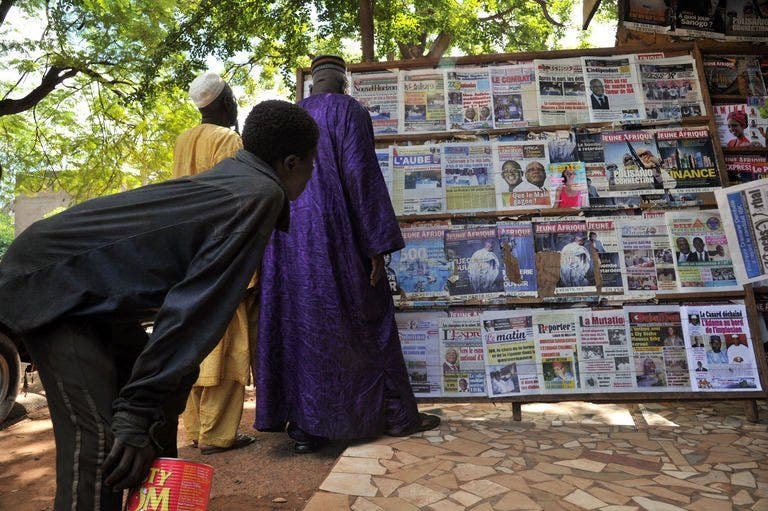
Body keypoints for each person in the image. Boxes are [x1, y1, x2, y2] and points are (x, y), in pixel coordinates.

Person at [0, 100, 319, 510]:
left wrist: (149, 412)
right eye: (312, 165)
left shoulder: (241, 180)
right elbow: (194, 311)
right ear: (291, 162)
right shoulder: (259, 194)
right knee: (106, 443)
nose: (312, 175)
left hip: (87, 292)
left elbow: (186, 321)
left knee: (154, 423)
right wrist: (136, 414)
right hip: (52, 284)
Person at [254, 55, 440, 454]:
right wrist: (376, 245)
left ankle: (305, 427)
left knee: (300, 325)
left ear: (313, 83)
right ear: (342, 82)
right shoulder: (349, 112)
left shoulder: (291, 116)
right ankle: (394, 417)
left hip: (287, 239)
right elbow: (361, 175)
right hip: (336, 236)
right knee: (369, 322)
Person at [173, 71, 256, 456]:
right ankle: (219, 435)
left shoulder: (183, 140)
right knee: (229, 345)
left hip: (188, 257)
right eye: (234, 98)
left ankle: (194, 430)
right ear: (225, 103)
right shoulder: (229, 140)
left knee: (191, 341)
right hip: (222, 256)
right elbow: (235, 203)